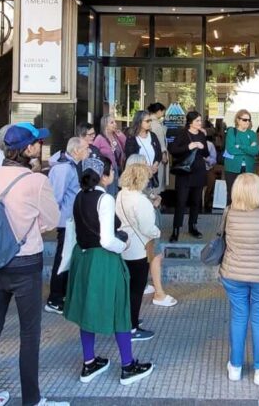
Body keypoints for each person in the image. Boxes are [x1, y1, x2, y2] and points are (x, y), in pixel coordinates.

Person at [0, 123, 63, 406]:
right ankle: (31, 400)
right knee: (29, 333)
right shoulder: (36, 181)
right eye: (37, 142)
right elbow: (51, 220)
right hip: (26, 261)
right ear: (28, 148)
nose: (40, 146)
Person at [64, 155, 155, 386]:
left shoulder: (79, 195)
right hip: (103, 259)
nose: (114, 174)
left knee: (86, 310)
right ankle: (127, 366)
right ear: (103, 176)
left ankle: (89, 362)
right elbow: (106, 240)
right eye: (111, 171)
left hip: (82, 257)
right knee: (120, 308)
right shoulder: (104, 199)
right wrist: (123, 245)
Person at [220, 173, 259, 386]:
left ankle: (235, 367)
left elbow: (222, 236)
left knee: (238, 317)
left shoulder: (229, 213)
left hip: (233, 273)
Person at [116, 160, 162, 341]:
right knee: (136, 289)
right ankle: (132, 327)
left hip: (124, 246)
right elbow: (147, 227)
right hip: (139, 248)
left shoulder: (120, 195)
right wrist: (157, 232)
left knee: (127, 288)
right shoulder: (141, 200)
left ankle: (128, 319)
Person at [44, 137, 88, 314]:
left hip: (71, 219)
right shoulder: (63, 168)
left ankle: (61, 294)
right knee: (63, 258)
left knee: (67, 257)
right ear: (76, 150)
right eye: (86, 148)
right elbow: (56, 196)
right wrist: (55, 219)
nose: (88, 151)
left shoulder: (71, 166)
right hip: (66, 221)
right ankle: (54, 298)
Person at [168, 111, 209, 241]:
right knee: (181, 201)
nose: (200, 123)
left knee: (196, 202)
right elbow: (173, 150)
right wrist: (189, 146)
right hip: (185, 173)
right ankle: (176, 229)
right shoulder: (182, 133)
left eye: (200, 120)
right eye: (197, 121)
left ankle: (193, 226)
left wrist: (202, 146)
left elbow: (206, 153)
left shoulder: (201, 135)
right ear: (190, 122)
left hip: (199, 172)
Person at [222, 109, 259, 206]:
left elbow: (255, 151)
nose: (247, 122)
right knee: (232, 194)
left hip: (248, 167)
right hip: (232, 167)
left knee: (247, 194)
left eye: (249, 120)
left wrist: (240, 146)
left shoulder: (252, 134)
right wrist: (248, 148)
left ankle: (245, 215)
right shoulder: (231, 131)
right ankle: (230, 214)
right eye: (244, 120)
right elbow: (230, 149)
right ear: (238, 120)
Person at [124, 110, 163, 191]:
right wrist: (146, 168)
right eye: (147, 121)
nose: (150, 123)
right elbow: (130, 158)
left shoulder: (153, 135)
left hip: (151, 176)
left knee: (151, 196)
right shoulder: (131, 138)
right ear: (139, 122)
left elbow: (159, 153)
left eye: (150, 120)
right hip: (138, 177)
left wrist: (155, 165)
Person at [93, 115, 127, 196]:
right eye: (112, 122)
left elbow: (125, 145)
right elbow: (93, 154)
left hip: (117, 169)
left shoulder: (116, 136)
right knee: (109, 193)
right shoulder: (99, 138)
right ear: (105, 125)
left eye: (115, 122)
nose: (115, 124)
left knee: (117, 192)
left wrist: (121, 135)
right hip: (107, 171)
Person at [147, 102, 170, 193]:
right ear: (159, 111)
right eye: (163, 111)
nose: (163, 114)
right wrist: (163, 154)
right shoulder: (155, 124)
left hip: (152, 155)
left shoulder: (151, 122)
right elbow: (160, 142)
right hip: (158, 155)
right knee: (157, 178)